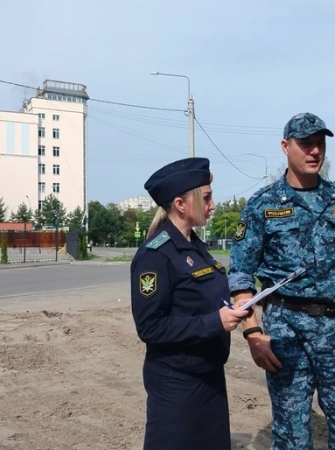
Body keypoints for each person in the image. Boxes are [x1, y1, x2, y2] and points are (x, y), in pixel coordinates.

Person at [228, 113, 335, 449]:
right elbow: (240, 277)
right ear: (285, 147)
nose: (314, 151)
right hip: (285, 333)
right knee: (291, 437)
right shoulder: (263, 205)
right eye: (306, 143)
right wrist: (252, 333)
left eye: (320, 143)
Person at [130, 156, 250, 450]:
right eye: (206, 198)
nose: (213, 204)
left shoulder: (197, 248)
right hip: (176, 384)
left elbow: (206, 298)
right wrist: (215, 322)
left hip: (209, 377)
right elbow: (150, 327)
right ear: (181, 204)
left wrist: (234, 308)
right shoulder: (156, 254)